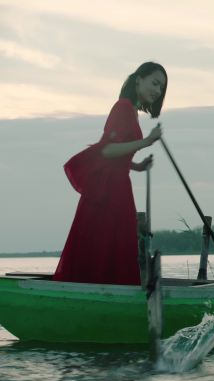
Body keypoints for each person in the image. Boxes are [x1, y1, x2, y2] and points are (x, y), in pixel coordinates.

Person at [53, 62, 167, 285]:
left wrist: (136, 166)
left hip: (117, 188)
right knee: (104, 245)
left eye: (161, 87)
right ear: (138, 80)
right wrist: (146, 141)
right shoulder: (123, 108)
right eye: (154, 83)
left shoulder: (131, 112)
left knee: (117, 246)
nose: (157, 91)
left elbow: (117, 155)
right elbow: (106, 150)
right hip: (106, 194)